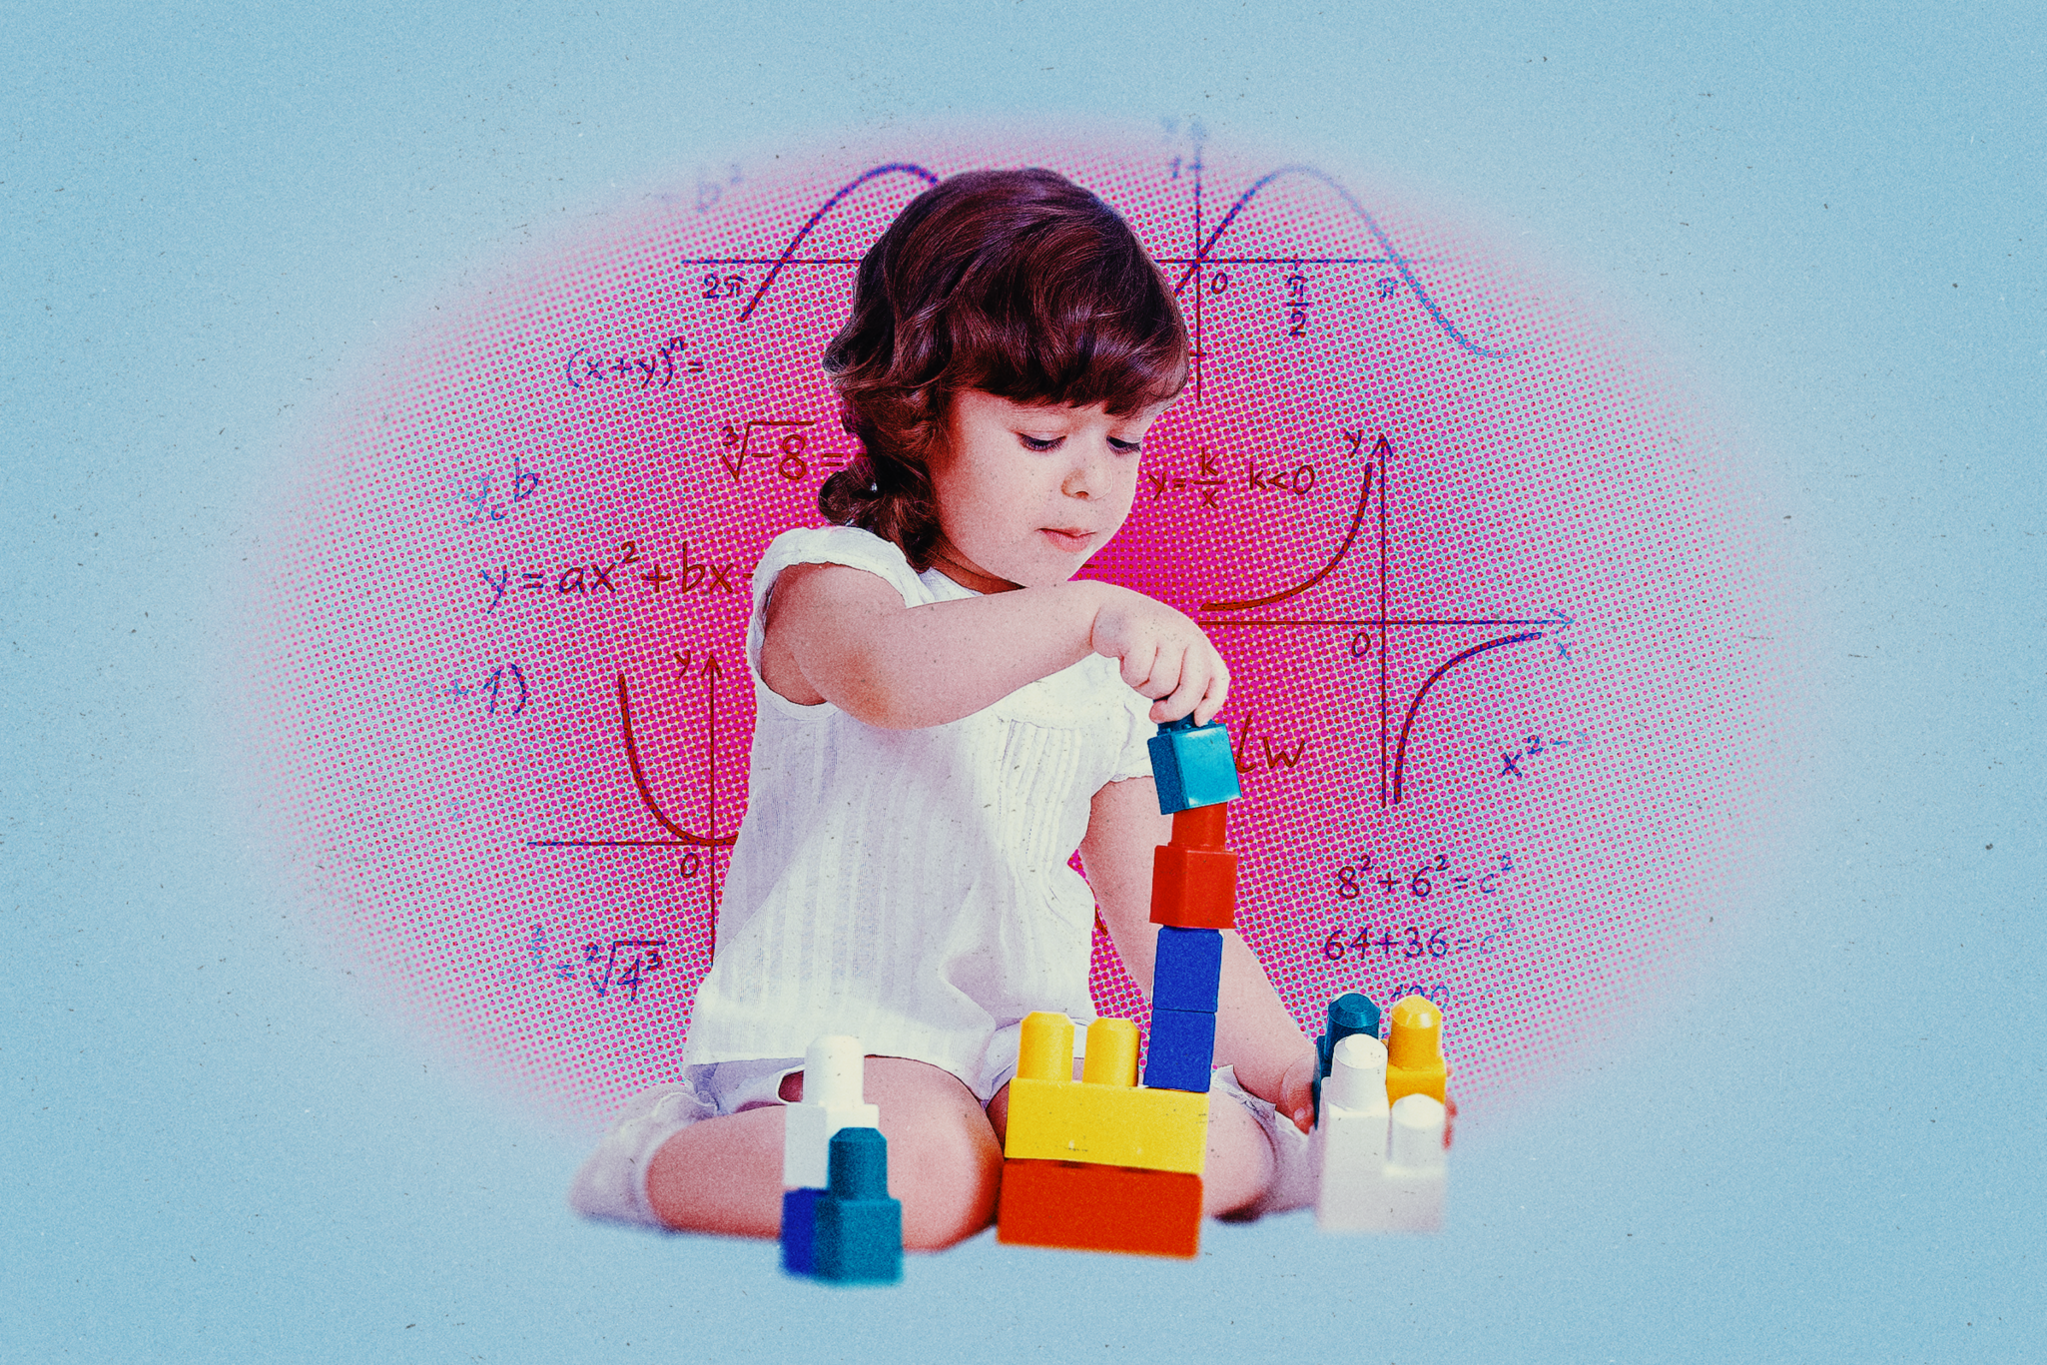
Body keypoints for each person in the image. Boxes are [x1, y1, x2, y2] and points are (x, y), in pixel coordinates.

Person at [570, 168, 1319, 1248]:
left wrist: (1283, 1062)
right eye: (1040, 438)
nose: (1089, 484)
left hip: (1018, 1045)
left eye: (1121, 441)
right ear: (918, 413)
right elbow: (891, 677)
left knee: (1166, 1152)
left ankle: (1197, 1152)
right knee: (923, 1175)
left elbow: (1163, 905)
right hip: (834, 1031)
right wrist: (1093, 613)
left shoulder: (1096, 661)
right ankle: (653, 1164)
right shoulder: (832, 582)